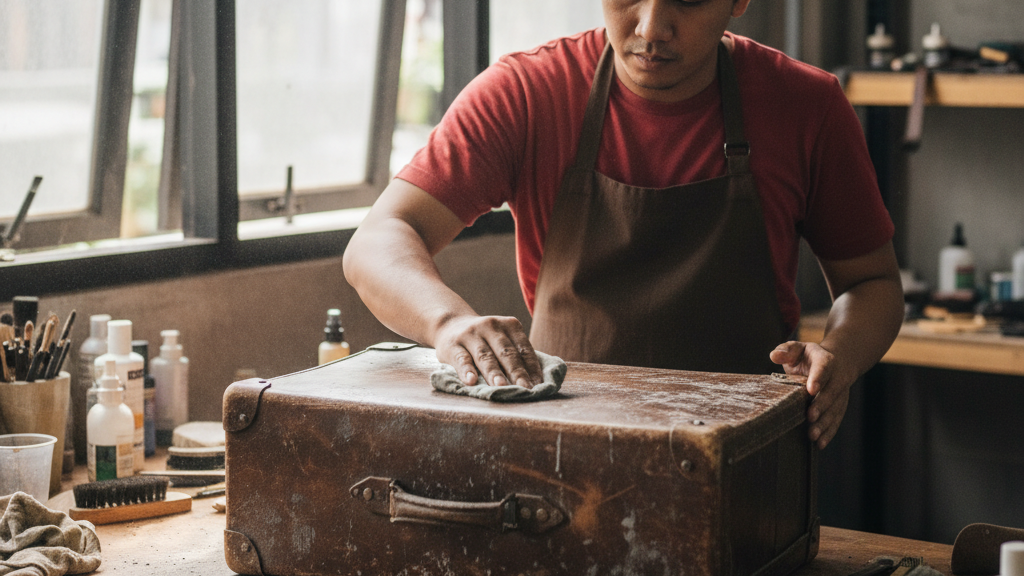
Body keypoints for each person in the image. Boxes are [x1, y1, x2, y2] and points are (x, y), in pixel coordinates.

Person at [343, 0, 904, 449]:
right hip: (560, 449)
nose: (652, 26)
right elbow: (379, 239)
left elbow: (871, 284)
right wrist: (446, 324)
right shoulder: (527, 93)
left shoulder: (806, 105)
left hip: (742, 457)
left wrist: (839, 357)